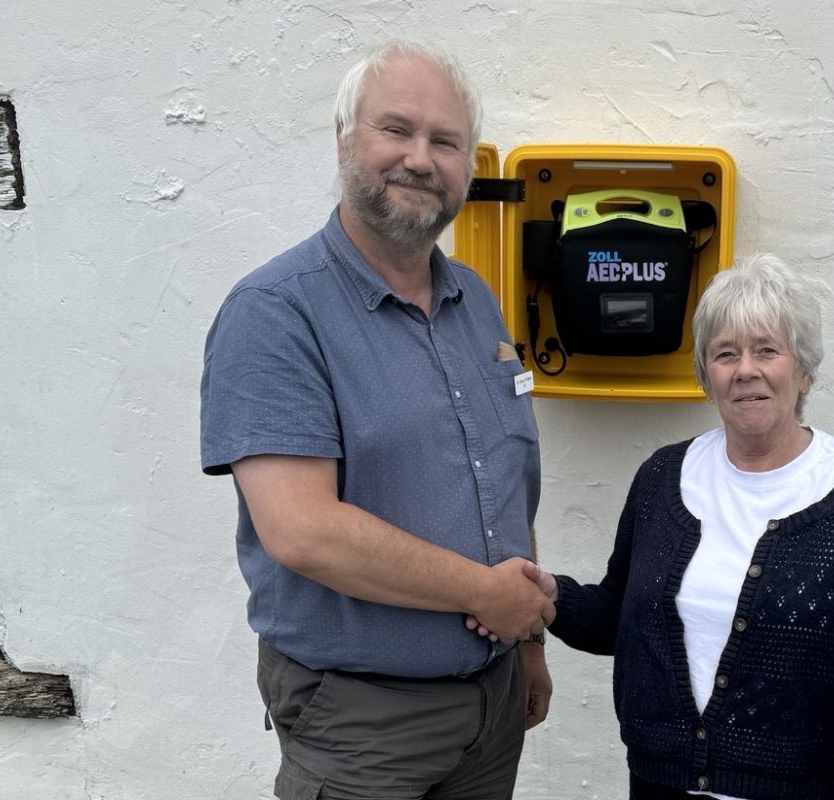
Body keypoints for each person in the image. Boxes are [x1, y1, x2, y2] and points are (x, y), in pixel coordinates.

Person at [200, 41, 553, 800]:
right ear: (344, 139)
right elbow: (302, 530)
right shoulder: (275, 314)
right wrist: (485, 595)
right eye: (397, 130)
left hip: (491, 711)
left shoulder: (477, 303)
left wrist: (526, 645)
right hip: (364, 724)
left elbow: (505, 483)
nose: (421, 159)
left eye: (446, 141)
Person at [491, 254, 834, 799]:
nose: (746, 370)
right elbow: (624, 617)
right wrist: (555, 597)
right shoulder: (663, 478)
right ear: (706, 376)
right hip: (661, 784)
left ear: (803, 370)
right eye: (725, 354)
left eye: (767, 351)